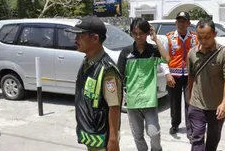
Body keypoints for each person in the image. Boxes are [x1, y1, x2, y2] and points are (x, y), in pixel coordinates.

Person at [66, 16, 122, 151]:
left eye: (80, 35)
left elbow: (114, 107)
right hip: (90, 134)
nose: (76, 39)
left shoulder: (107, 69)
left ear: (95, 38)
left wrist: (113, 140)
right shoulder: (87, 62)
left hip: (101, 138)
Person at [117, 18, 170, 151]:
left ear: (147, 33)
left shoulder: (153, 51)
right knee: (138, 135)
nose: (138, 36)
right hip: (133, 101)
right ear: (131, 34)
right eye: (135, 33)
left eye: (141, 33)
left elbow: (167, 58)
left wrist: (155, 38)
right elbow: (119, 77)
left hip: (150, 101)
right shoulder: (126, 53)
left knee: (154, 133)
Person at [187, 19, 225, 151]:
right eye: (200, 37)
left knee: (213, 140)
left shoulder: (224, 53)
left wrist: (224, 104)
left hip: (217, 106)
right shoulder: (192, 53)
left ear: (215, 34)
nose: (203, 41)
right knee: (196, 139)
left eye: (207, 37)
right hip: (197, 104)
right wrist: (190, 98)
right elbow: (191, 77)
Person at [163, 11, 198, 137]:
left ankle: (190, 129)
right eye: (179, 21)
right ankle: (175, 124)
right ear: (175, 22)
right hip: (174, 76)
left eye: (184, 21)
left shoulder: (195, 37)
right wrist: (167, 74)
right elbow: (164, 58)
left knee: (190, 103)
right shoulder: (169, 37)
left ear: (188, 23)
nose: (181, 24)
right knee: (174, 102)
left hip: (190, 75)